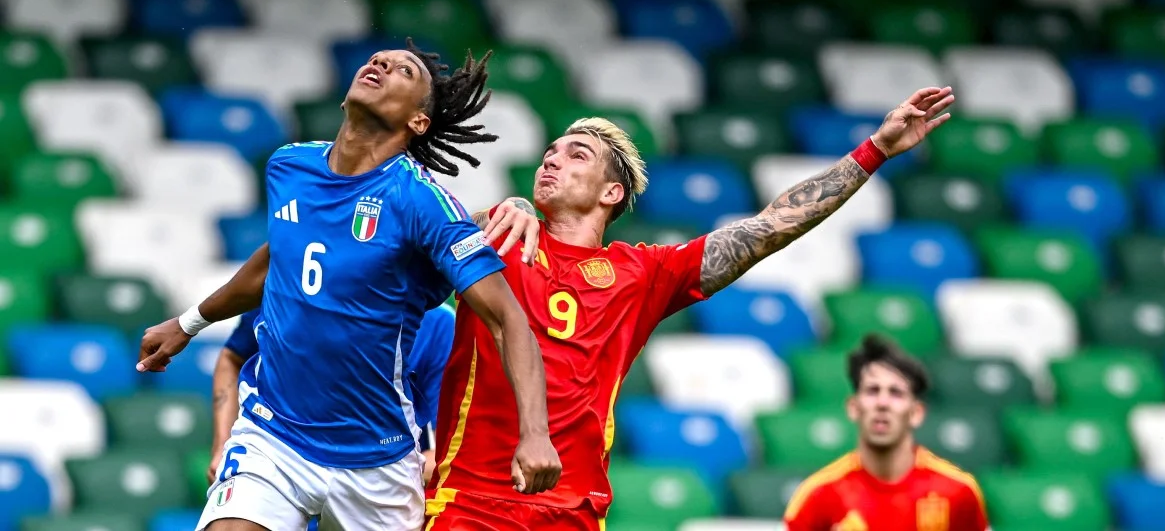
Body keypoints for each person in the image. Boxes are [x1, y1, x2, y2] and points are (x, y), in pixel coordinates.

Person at [424, 86, 957, 530]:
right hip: (470, 502)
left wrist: (874, 151)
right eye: (551, 152)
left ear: (612, 192)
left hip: (572, 511)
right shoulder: (495, 234)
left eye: (575, 154)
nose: (552, 158)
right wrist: (503, 207)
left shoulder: (642, 273)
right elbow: (416, 236)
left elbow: (769, 227)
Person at [135, 42, 561, 531]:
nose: (380, 64)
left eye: (403, 70)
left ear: (418, 122)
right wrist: (189, 323)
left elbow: (507, 319)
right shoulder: (288, 166)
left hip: (375, 460)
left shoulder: (421, 201)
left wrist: (535, 433)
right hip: (273, 434)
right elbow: (278, 257)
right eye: (377, 59)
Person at [207, 300, 457, 487]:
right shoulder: (286, 286)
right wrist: (221, 446)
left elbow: (440, 459)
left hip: (377, 488)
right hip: (282, 463)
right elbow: (232, 357)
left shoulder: (438, 325)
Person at [783, 334, 990, 531]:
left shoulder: (958, 491)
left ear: (916, 413)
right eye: (873, 391)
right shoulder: (818, 495)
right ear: (853, 407)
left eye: (896, 393)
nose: (882, 403)